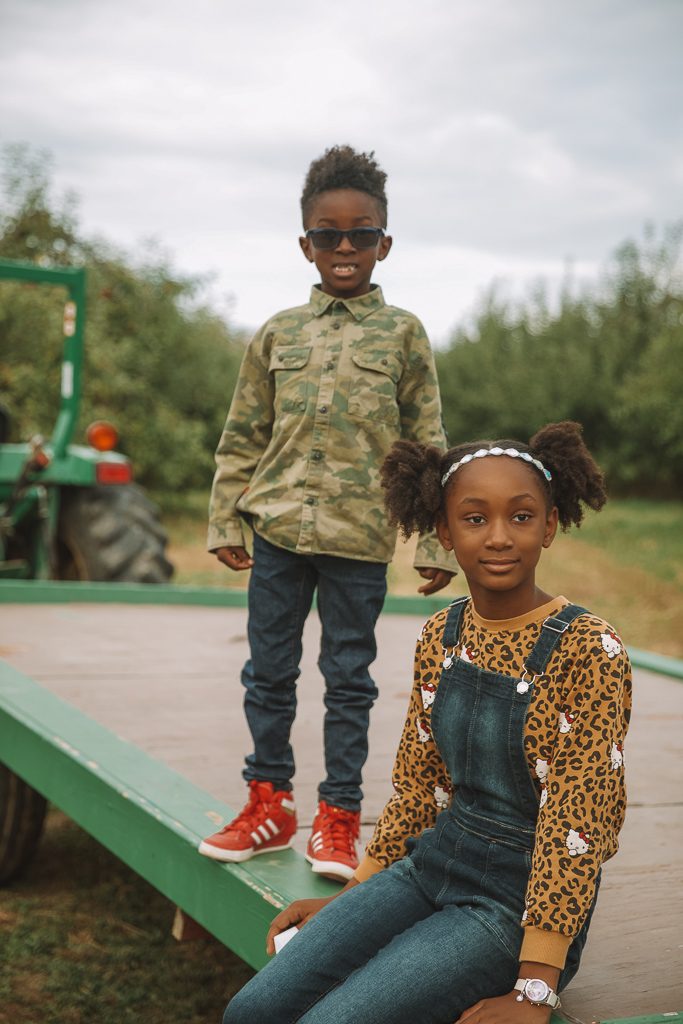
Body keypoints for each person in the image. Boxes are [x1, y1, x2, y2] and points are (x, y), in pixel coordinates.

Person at [222, 421, 632, 1024]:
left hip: (513, 907)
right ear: (443, 530)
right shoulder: (441, 634)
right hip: (430, 865)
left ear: (549, 525)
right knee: (251, 1010)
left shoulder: (589, 650)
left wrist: (535, 989)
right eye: (474, 518)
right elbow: (420, 785)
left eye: (520, 517)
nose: (498, 537)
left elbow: (577, 826)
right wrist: (352, 898)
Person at [198, 145, 456, 882]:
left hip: (358, 540)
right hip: (278, 531)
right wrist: (226, 519)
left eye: (361, 234)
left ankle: (338, 818)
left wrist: (434, 542)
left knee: (349, 679)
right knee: (267, 674)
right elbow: (242, 433)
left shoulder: (403, 335)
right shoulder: (278, 333)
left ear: (384, 243)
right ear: (305, 244)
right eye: (328, 235)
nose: (344, 248)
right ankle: (268, 805)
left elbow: (427, 443)